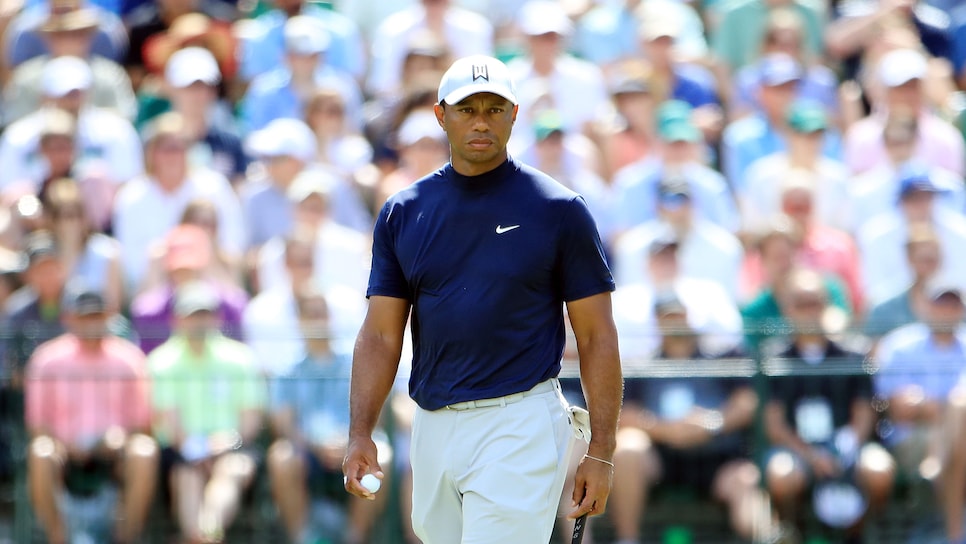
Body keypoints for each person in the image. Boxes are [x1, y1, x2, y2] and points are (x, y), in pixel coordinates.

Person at [342, 55, 623, 544]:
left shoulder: (559, 210)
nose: (480, 121)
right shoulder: (403, 213)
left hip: (520, 422)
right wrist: (361, 431)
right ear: (440, 116)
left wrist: (601, 450)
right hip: (433, 424)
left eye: (495, 109)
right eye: (466, 108)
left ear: (514, 115)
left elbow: (597, 335)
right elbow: (382, 333)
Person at [611, 294, 771, 544]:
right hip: (661, 460)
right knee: (628, 447)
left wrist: (712, 424)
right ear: (656, 321)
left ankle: (768, 538)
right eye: (668, 316)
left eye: (680, 315)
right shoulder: (640, 365)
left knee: (746, 479)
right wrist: (666, 430)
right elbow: (624, 414)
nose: (676, 322)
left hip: (718, 460)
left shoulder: (725, 356)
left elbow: (748, 403)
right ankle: (627, 540)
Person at [762, 269, 895, 538]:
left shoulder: (853, 353)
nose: (809, 311)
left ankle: (856, 534)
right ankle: (794, 534)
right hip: (797, 450)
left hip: (847, 447)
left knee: (879, 470)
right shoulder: (774, 358)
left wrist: (845, 447)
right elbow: (774, 425)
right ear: (787, 309)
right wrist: (811, 455)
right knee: (782, 475)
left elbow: (864, 413)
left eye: (815, 303)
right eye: (801, 304)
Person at [25, 288, 156, 544]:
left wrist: (119, 438)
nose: (91, 323)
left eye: (97, 316)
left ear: (108, 317)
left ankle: (126, 538)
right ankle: (57, 537)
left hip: (115, 453)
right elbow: (38, 425)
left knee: (144, 451)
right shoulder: (47, 360)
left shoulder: (129, 359)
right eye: (84, 317)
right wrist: (66, 444)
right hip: (63, 452)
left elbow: (142, 424)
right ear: (69, 319)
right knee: (40, 451)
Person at [267, 287, 389, 544]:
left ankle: (355, 538)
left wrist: (350, 442)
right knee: (281, 457)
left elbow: (374, 410)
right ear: (299, 321)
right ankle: (302, 539)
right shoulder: (286, 370)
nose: (319, 319)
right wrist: (315, 445)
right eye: (311, 314)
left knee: (383, 458)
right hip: (306, 452)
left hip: (353, 445)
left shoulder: (355, 362)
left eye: (322, 313)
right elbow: (284, 424)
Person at [148, 280, 265, 544]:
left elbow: (250, 420)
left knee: (232, 470)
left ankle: (203, 536)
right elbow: (169, 424)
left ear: (217, 318)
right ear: (177, 320)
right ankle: (207, 536)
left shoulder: (241, 359)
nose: (199, 322)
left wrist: (225, 443)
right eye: (193, 316)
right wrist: (199, 449)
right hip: (182, 453)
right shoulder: (161, 362)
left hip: (233, 449)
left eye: (205, 314)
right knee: (187, 474)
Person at [874, 282, 966, 543]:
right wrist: (950, 412)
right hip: (911, 439)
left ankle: (938, 459)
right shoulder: (901, 344)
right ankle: (955, 532)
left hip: (951, 435)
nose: (947, 311)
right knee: (959, 422)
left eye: (953, 305)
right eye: (941, 304)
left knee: (960, 415)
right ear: (926, 307)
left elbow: (919, 404)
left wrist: (934, 407)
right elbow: (899, 408)